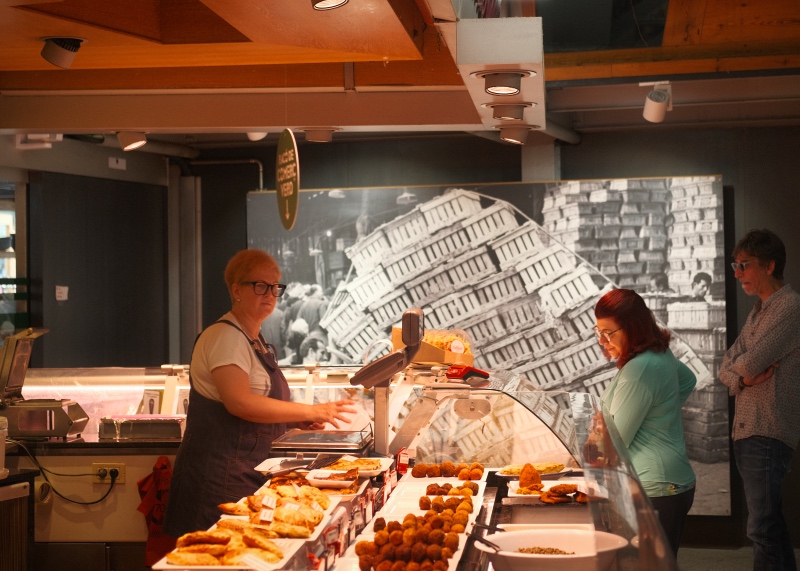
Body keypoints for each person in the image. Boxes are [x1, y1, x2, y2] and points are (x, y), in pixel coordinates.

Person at [163, 249, 356, 537]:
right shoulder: (225, 337)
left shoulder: (254, 338)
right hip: (217, 475)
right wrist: (310, 410)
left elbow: (257, 403)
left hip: (247, 468)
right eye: (260, 285)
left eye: (275, 286)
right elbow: (239, 403)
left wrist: (293, 421)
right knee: (216, 555)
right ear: (236, 289)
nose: (270, 293)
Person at [718, 229, 800, 571]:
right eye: (735, 265)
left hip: (768, 430)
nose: (736, 274)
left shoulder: (790, 307)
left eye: (743, 265)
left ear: (769, 265)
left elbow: (748, 361)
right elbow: (726, 366)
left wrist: (742, 370)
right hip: (749, 430)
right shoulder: (757, 312)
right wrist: (742, 377)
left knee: (761, 529)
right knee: (770, 527)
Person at [593, 288, 696, 556]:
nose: (603, 341)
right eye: (598, 332)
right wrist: (659, 413)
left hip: (655, 488)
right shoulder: (659, 355)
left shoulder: (639, 369)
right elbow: (688, 380)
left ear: (633, 327)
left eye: (609, 333)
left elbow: (614, 441)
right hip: (670, 483)